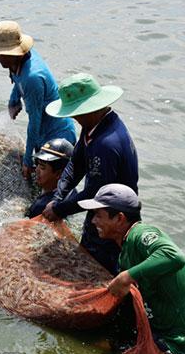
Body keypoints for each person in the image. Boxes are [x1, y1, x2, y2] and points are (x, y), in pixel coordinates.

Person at [78, 183, 185, 354]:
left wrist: (127, 276)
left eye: (98, 215)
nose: (93, 221)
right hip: (177, 330)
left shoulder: (141, 234)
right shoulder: (125, 248)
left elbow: (174, 256)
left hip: (180, 343)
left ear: (119, 218)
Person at [42, 73, 139, 274]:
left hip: (114, 222)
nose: (73, 118)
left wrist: (59, 210)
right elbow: (74, 165)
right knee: (85, 263)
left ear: (90, 109)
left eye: (76, 112)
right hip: (99, 213)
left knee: (101, 271)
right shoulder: (93, 128)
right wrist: (57, 198)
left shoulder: (105, 144)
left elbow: (94, 194)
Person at [0, 21, 76, 179]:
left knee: (52, 186)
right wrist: (14, 100)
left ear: (11, 54)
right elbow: (16, 76)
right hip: (43, 132)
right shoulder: (20, 60)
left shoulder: (32, 78)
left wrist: (27, 161)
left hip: (58, 137)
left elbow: (34, 122)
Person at [25, 138, 74, 218]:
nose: (36, 170)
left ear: (59, 173)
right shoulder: (73, 194)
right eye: (37, 164)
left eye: (42, 167)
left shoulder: (42, 207)